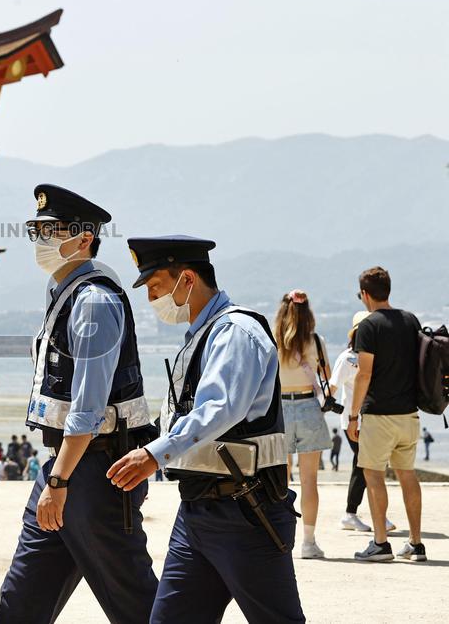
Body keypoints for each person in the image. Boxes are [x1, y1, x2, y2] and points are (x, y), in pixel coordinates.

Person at [109, 236, 304, 623]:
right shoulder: (202, 334)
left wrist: (154, 455)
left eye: (155, 286)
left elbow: (219, 410)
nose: (151, 299)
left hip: (246, 510)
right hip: (197, 510)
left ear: (187, 279)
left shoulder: (235, 333)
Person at [0, 185, 158, 623]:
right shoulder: (64, 294)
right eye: (35, 231)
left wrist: (59, 483)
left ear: (84, 238)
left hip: (95, 473)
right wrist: (56, 477)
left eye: (50, 231)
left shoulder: (94, 303)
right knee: (21, 602)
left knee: (134, 603)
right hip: (63, 466)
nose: (40, 241)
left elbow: (87, 409)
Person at [348, 266, 426, 562]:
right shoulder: (411, 321)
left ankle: (380, 543)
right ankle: (416, 544)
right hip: (409, 414)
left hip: (380, 415)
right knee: (408, 475)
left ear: (366, 294)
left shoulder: (369, 326)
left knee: (373, 474)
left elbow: (363, 374)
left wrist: (353, 415)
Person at [273, 289, 332, 559]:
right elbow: (326, 377)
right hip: (308, 406)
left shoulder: (273, 342)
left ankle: (278, 536)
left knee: (278, 479)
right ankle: (308, 542)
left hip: (280, 410)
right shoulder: (316, 342)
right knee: (310, 481)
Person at [330, 310, 386, 532]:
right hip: (352, 421)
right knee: (365, 466)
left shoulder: (376, 356)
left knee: (365, 466)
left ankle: (357, 514)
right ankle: (352, 513)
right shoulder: (347, 358)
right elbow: (332, 388)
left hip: (373, 419)